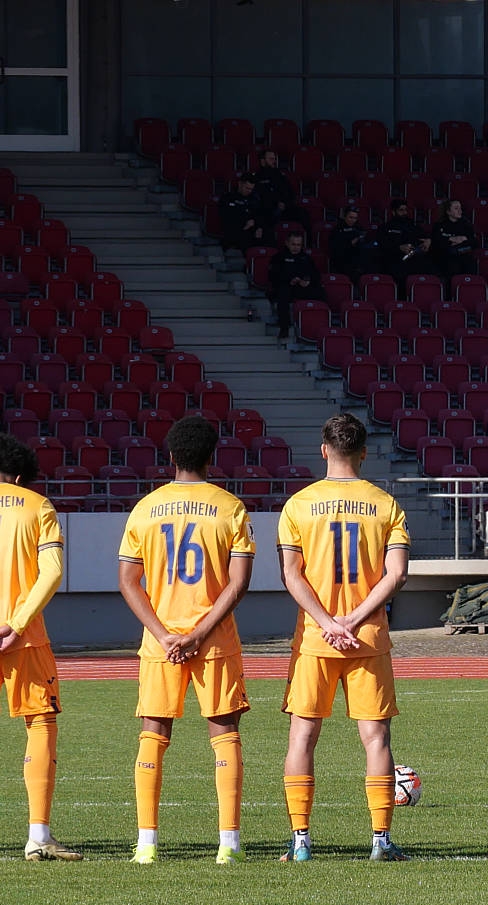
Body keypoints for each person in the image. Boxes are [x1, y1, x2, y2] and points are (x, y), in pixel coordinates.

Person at [116, 417, 254, 865]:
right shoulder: (230, 507)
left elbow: (128, 580)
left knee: (153, 732)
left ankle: (147, 844)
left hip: (161, 643)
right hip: (214, 641)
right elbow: (238, 583)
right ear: (212, 457)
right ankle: (228, 845)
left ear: (171, 456)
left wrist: (164, 635)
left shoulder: (145, 508)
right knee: (224, 732)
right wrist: (199, 633)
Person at [276, 414, 412, 862]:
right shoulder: (386, 505)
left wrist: (328, 622)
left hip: (316, 639)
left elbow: (291, 574)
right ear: (364, 453)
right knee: (376, 739)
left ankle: (300, 842)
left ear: (323, 450)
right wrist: (352, 620)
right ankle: (380, 841)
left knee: (302, 737)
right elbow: (397, 574)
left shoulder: (298, 505)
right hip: (367, 636)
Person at [0, 434, 72, 861]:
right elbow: (52, 572)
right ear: (20, 476)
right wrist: (17, 622)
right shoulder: (37, 506)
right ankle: (38, 835)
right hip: (22, 637)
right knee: (40, 723)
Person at [267, 231, 323, 343]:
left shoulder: (306, 258)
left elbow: (315, 274)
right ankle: (284, 328)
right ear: (287, 243)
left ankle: (318, 326)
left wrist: (307, 281)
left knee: (320, 292)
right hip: (285, 286)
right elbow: (273, 275)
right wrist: (289, 280)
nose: (296, 247)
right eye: (293, 244)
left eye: (299, 245)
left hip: (301, 287)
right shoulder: (278, 257)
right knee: (282, 295)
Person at [245, 149, 305, 231]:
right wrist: (276, 204)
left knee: (302, 213)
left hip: (284, 208)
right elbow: (256, 197)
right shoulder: (256, 177)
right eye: (271, 159)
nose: (274, 161)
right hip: (267, 210)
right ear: (263, 161)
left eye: (275, 159)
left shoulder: (279, 175)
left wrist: (285, 203)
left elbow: (290, 192)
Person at [376, 199, 425, 278]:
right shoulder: (385, 227)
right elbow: (382, 245)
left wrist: (428, 240)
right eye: (401, 210)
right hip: (393, 261)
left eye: (406, 210)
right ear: (393, 212)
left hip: (413, 259)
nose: (405, 213)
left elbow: (423, 236)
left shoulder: (412, 225)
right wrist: (398, 248)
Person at [432, 199, 477, 280]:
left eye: (460, 208)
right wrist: (450, 239)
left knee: (470, 263)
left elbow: (474, 242)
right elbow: (436, 242)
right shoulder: (439, 225)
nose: (460, 211)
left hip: (463, 255)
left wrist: (463, 239)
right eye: (456, 208)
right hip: (446, 257)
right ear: (448, 212)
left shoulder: (466, 224)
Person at [217, 177, 267, 251]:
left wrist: (259, 226)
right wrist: (245, 225)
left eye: (251, 189)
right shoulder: (227, 198)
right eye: (247, 188)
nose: (249, 191)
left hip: (250, 234)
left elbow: (259, 216)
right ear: (240, 184)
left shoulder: (254, 199)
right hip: (232, 233)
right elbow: (225, 218)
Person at [329, 205, 372, 281]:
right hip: (342, 262)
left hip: (357, 261)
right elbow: (336, 249)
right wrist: (352, 242)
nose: (353, 220)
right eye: (350, 217)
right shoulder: (337, 230)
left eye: (355, 218)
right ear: (344, 217)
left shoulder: (358, 228)